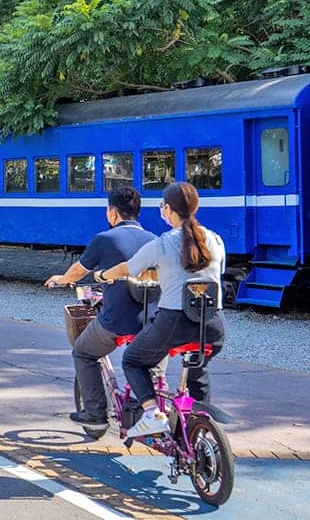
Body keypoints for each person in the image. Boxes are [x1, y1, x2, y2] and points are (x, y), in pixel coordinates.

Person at [95, 181, 226, 438]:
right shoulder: (215, 240)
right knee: (198, 367)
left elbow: (128, 268)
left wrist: (103, 276)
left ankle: (152, 413)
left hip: (174, 322)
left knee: (132, 360)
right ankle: (199, 432)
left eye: (162, 207)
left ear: (167, 209)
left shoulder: (163, 243)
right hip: (213, 324)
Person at [44, 186, 158, 434]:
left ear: (113, 214)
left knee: (83, 353)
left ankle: (95, 414)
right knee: (150, 361)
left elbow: (78, 271)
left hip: (117, 322)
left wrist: (60, 279)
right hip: (152, 323)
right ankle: (147, 405)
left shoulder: (105, 239)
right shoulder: (154, 239)